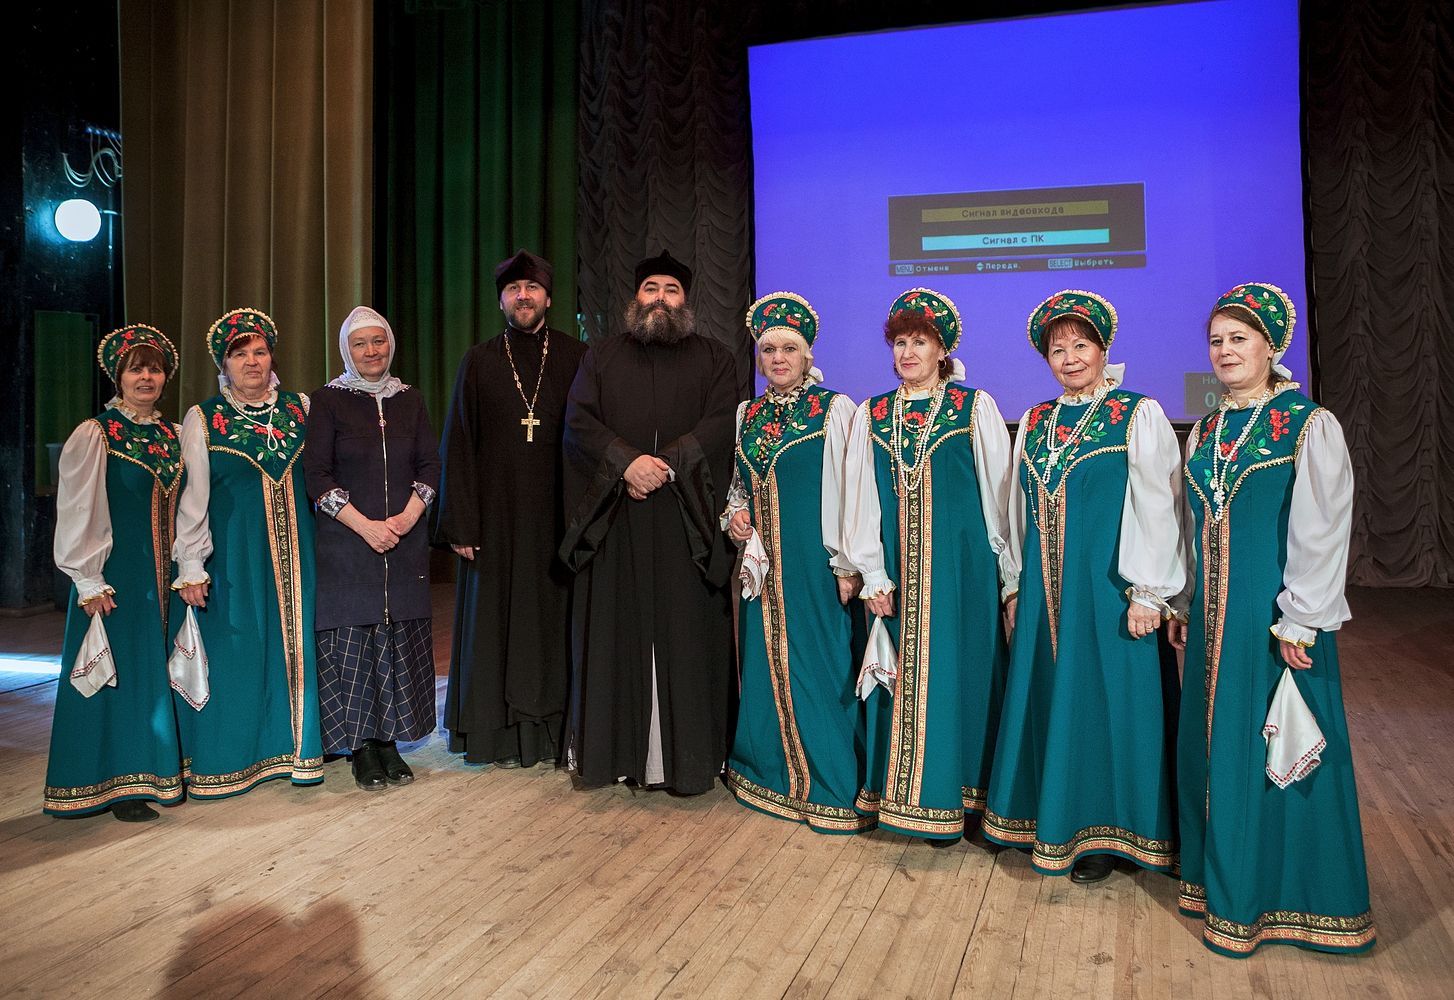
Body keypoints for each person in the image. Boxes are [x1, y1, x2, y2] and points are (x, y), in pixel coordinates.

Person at [1169, 282, 1375, 956]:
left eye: (1239, 339)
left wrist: (1301, 617)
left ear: (1271, 347)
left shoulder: (1307, 424)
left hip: (1272, 621)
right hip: (1213, 621)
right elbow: (1194, 528)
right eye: (1217, 341)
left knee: (1273, 748)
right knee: (1216, 746)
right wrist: (1185, 599)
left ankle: (1284, 899)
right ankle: (1217, 884)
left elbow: (1323, 526)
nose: (1225, 351)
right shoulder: (1207, 429)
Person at [982, 290, 1183, 883]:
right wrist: (1015, 585)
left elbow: (1159, 505)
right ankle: (1054, 818)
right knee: (1054, 700)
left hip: (1109, 594)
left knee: (1109, 704)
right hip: (1046, 596)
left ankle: (1109, 832)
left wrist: (1149, 590)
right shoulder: (1036, 420)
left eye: (1080, 346)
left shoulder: (1136, 414)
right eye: (1057, 350)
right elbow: (1017, 510)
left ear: (1103, 349)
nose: (1069, 358)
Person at [560, 250, 739, 794]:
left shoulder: (715, 358)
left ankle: (690, 759)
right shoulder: (601, 357)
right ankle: (616, 755)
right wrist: (627, 464)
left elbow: (721, 423)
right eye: (651, 289)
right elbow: (579, 422)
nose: (660, 298)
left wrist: (667, 464)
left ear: (686, 300)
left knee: (687, 637)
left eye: (671, 290)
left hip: (687, 521)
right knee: (618, 635)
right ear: (635, 297)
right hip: (619, 519)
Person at [840, 288, 1014, 842]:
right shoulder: (872, 414)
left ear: (943, 350)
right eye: (900, 343)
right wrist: (872, 573)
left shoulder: (974, 407)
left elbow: (1000, 498)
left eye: (920, 342)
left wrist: (1008, 578)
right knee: (900, 679)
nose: (908, 353)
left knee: (965, 675)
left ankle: (967, 800)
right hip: (897, 574)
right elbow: (861, 499)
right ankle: (904, 799)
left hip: (962, 573)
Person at [721, 292, 870, 833]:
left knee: (821, 667)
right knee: (765, 665)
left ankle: (830, 785)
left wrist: (849, 564)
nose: (778, 358)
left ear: (807, 355)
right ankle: (770, 774)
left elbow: (854, 491)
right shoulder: (748, 414)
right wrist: (736, 516)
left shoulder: (836, 409)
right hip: (763, 569)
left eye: (789, 349)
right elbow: (739, 485)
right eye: (768, 350)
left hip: (816, 564)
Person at [434, 250, 588, 767]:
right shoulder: (478, 360)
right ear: (501, 300)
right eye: (513, 289)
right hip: (493, 520)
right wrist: (460, 521)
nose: (523, 296)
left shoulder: (578, 357)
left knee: (552, 620)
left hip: (558, 518)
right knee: (494, 621)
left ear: (549, 297)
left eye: (532, 288)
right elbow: (458, 443)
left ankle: (555, 732)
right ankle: (495, 734)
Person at [173, 308, 324, 797]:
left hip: (300, 556)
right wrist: (191, 563)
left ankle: (297, 752)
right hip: (235, 560)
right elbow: (193, 498)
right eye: (240, 355)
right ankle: (233, 762)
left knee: (298, 650)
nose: (252, 362)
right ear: (224, 364)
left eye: (260, 352)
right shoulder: (203, 419)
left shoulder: (301, 408)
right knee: (239, 653)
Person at [44, 326, 187, 821]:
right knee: (117, 674)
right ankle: (113, 783)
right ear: (118, 377)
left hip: (165, 577)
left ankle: (156, 772)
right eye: (136, 369)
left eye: (154, 369)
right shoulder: (97, 434)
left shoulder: (174, 435)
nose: (146, 378)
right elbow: (77, 509)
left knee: (154, 671)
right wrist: (88, 577)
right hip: (116, 575)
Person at [305, 306, 441, 790]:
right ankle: (362, 748)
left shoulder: (411, 400)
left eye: (378, 341)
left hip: (403, 546)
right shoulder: (327, 401)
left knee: (396, 641)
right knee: (355, 645)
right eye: (359, 343)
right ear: (347, 350)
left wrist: (405, 519)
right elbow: (317, 475)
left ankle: (390, 743)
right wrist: (365, 527)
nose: (371, 351)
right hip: (348, 545)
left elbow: (430, 466)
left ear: (390, 345)